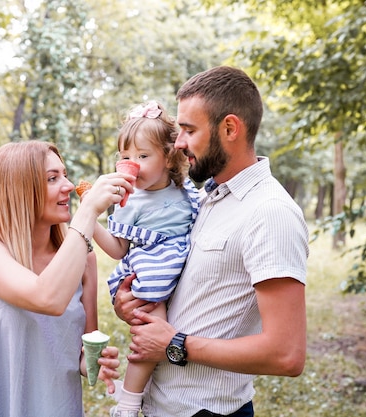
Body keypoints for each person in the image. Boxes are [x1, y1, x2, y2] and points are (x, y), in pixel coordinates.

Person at [113, 66, 309, 417]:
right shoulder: (205, 198)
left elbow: (286, 353)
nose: (179, 143)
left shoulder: (270, 212)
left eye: (188, 130)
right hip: (160, 405)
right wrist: (132, 303)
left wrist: (175, 345)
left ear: (230, 128)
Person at [0, 140, 131, 417]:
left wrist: (92, 362)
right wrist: (88, 211)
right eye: (53, 178)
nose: (67, 185)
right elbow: (46, 298)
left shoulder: (83, 258)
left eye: (64, 174)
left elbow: (81, 354)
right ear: (19, 190)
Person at [87, 101, 200, 417]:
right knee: (153, 333)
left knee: (159, 336)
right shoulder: (128, 200)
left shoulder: (185, 190)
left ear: (168, 156)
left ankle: (142, 389)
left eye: (142, 156)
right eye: (125, 157)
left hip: (182, 265)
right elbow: (118, 249)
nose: (131, 164)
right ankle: (128, 402)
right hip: (153, 265)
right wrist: (91, 217)